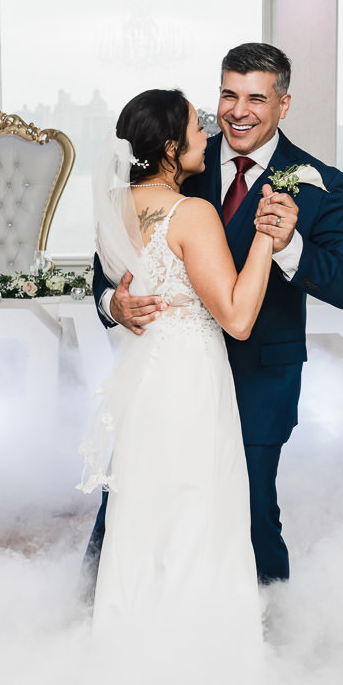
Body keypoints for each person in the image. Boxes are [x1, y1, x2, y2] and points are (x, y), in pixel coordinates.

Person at [88, 43, 343, 585]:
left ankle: (265, 632)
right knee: (129, 501)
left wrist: (287, 246)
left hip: (261, 376)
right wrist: (113, 302)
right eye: (228, 94)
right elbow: (114, 256)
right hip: (169, 378)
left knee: (249, 512)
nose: (238, 110)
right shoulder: (181, 161)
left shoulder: (318, 180)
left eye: (256, 98)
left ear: (283, 104)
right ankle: (100, 616)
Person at [78, 88, 283, 646]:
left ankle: (130, 642)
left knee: (143, 505)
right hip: (190, 375)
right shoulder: (192, 213)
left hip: (145, 377)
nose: (209, 131)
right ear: (171, 147)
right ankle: (200, 652)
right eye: (198, 126)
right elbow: (238, 318)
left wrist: (116, 304)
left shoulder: (114, 208)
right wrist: (266, 238)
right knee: (199, 501)